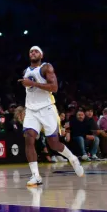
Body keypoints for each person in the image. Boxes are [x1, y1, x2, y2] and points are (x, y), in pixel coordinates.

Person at [19, 46, 83, 186]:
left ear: (41, 54)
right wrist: (25, 108)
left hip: (47, 109)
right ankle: (36, 176)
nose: (33, 53)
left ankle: (72, 158)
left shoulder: (46, 67)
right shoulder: (25, 71)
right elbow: (30, 92)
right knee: (29, 138)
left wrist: (33, 83)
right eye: (30, 51)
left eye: (36, 51)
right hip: (31, 110)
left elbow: (54, 88)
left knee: (53, 143)